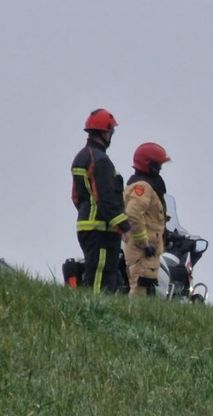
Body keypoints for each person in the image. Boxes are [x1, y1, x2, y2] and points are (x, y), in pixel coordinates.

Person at [71, 108, 131, 294]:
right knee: (101, 278)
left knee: (96, 273)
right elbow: (106, 198)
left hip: (87, 226)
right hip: (101, 230)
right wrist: (125, 227)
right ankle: (95, 317)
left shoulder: (81, 157)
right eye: (111, 131)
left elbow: (76, 196)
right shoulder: (101, 161)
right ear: (105, 132)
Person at [122, 143, 172, 297]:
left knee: (147, 288)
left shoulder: (149, 186)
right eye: (159, 165)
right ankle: (132, 318)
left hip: (149, 250)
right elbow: (133, 214)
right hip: (142, 250)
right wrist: (144, 243)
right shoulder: (143, 186)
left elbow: (151, 216)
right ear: (150, 165)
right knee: (139, 288)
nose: (161, 169)